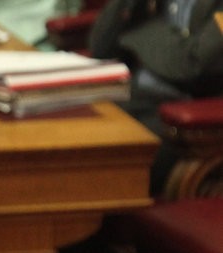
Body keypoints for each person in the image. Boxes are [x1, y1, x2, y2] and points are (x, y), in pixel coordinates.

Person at [90, 0, 223, 192]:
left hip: (188, 123)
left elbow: (196, 64)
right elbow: (101, 48)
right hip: (131, 96)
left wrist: (138, 31)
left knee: (91, 163)